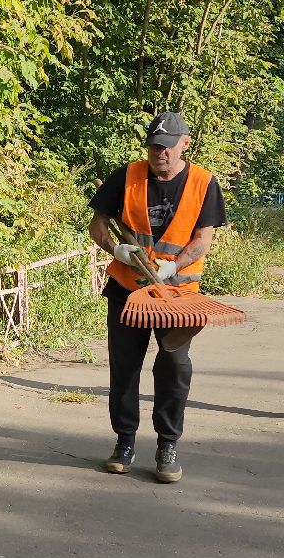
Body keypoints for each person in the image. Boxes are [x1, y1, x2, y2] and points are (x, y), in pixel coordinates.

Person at [87, 111, 228, 483]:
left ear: (185, 144)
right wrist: (114, 249)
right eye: (153, 146)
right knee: (125, 366)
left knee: (174, 367)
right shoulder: (127, 176)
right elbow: (97, 223)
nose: (158, 153)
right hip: (127, 291)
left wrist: (173, 266)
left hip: (175, 296)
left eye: (166, 147)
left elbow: (202, 238)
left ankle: (168, 444)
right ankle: (125, 442)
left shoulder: (203, 182)